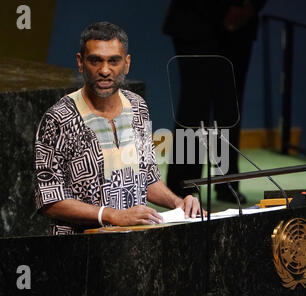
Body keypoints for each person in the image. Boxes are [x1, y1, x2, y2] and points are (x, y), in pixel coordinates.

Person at [34, 21, 201, 235]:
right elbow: (50, 200)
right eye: (96, 61)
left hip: (133, 244)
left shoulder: (138, 106)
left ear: (127, 63)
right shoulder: (58, 118)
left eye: (113, 61)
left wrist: (179, 203)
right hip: (78, 250)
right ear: (80, 62)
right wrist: (112, 215)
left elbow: (147, 178)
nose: (105, 70)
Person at [163, 0, 266, 203]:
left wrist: (248, 7)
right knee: (194, 105)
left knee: (230, 108)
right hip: (195, 19)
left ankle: (227, 182)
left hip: (240, 28)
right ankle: (183, 185)